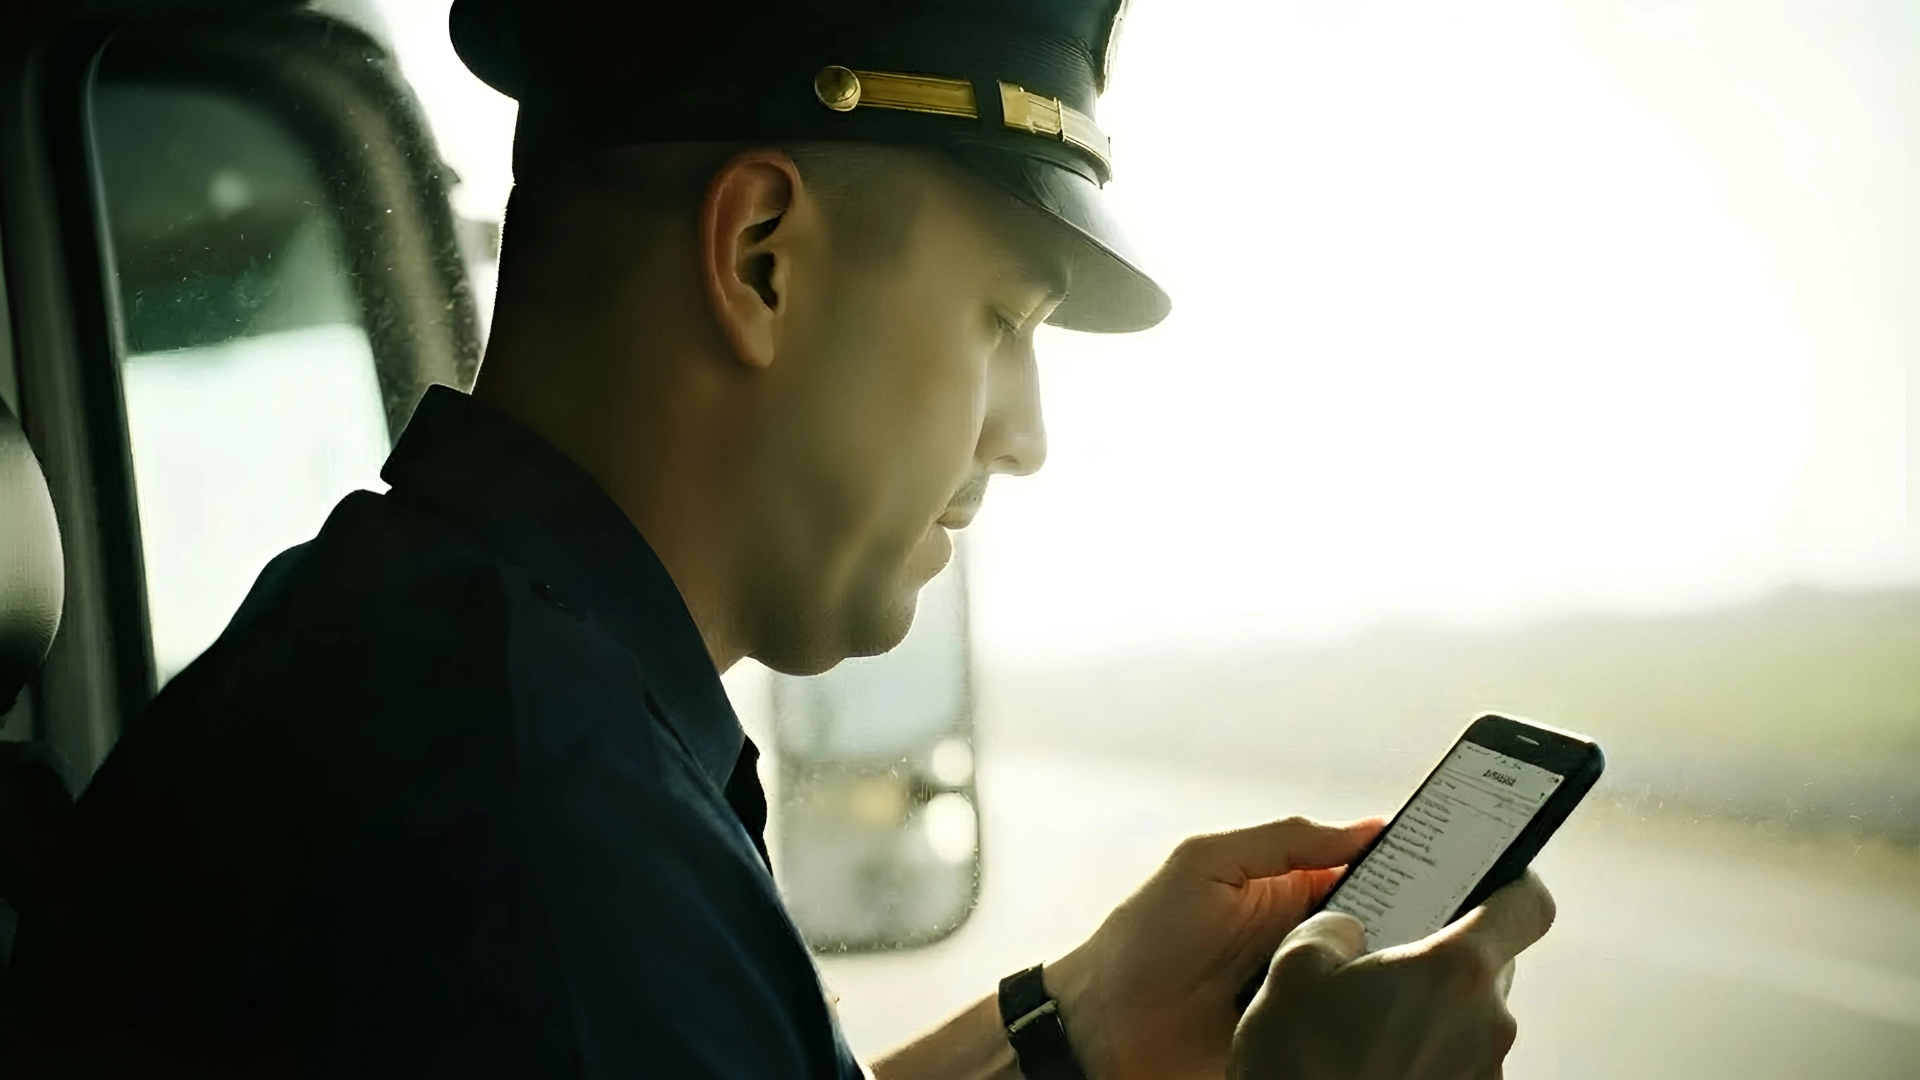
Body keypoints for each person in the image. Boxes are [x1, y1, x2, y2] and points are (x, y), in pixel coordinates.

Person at [0, 0, 1556, 1076]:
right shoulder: (535, 831)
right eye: (1002, 319)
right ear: (759, 259)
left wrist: (1070, 1025)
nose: (1024, 432)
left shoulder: (434, 670)